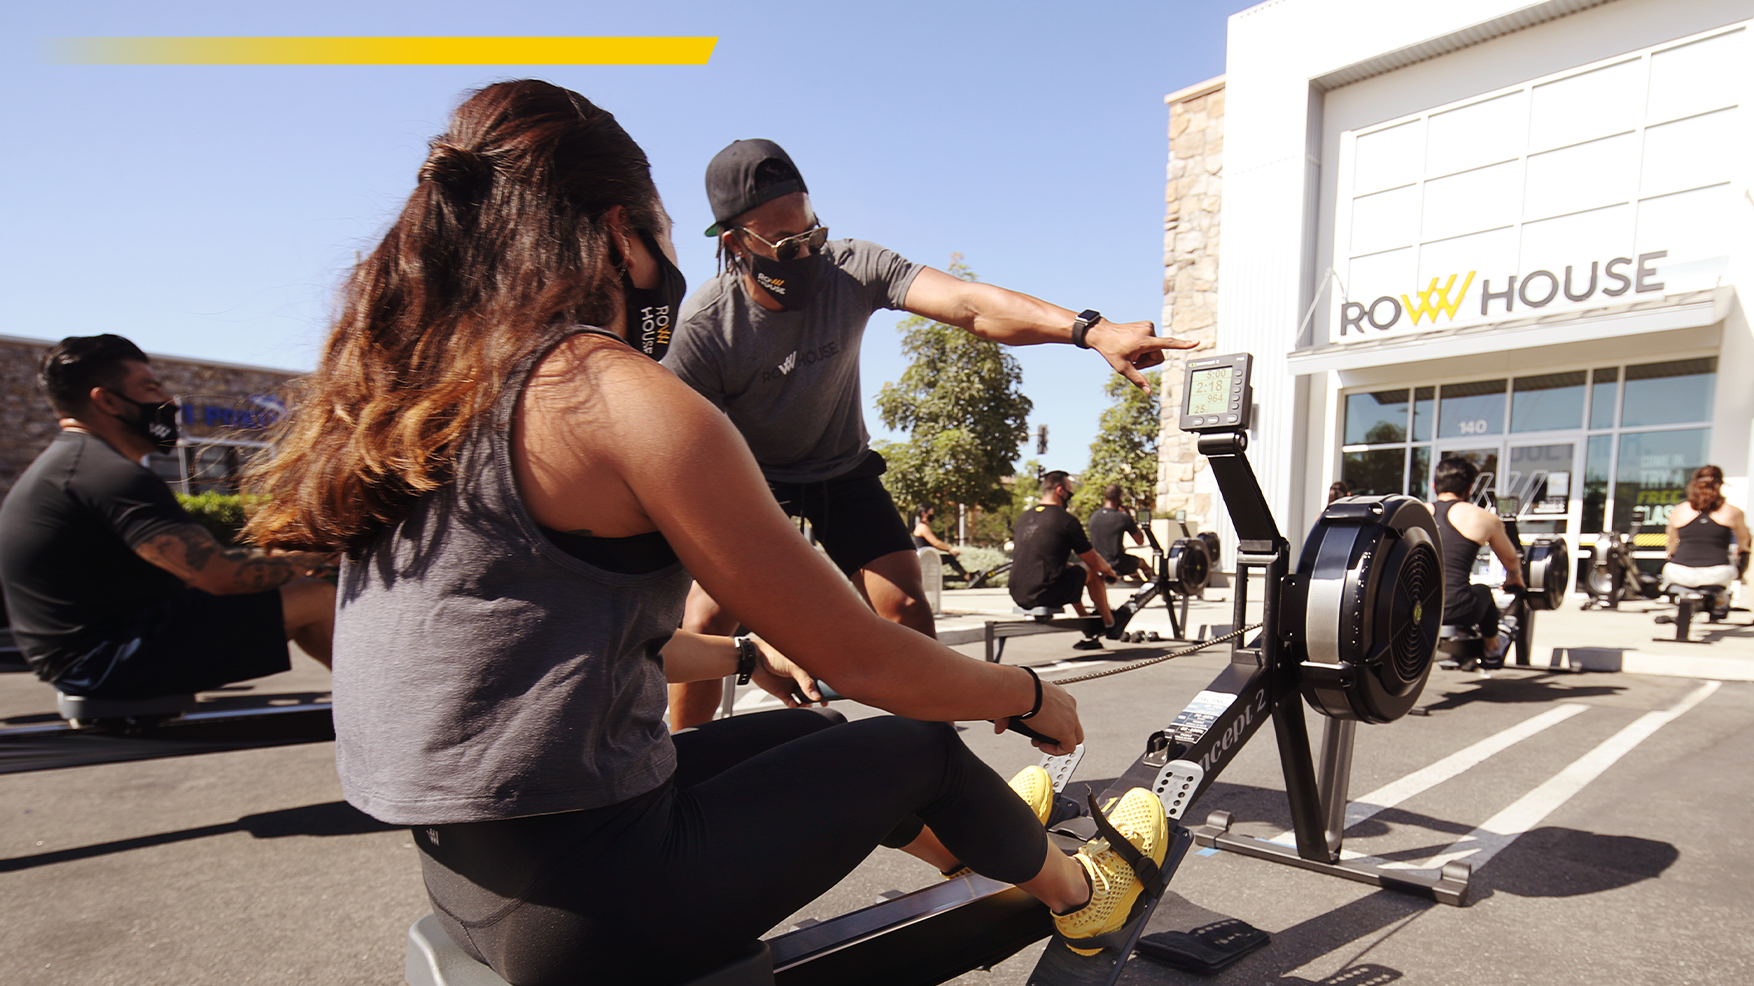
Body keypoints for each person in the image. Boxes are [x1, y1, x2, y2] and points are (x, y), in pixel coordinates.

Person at [240, 81, 1167, 984]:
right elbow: (868, 660)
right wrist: (1028, 692)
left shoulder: (430, 391)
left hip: (474, 876)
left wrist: (739, 658)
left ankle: (977, 841)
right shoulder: (618, 387)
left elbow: (571, 630)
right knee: (914, 744)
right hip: (593, 905)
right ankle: (1079, 890)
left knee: (817, 733)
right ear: (621, 231)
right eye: (666, 230)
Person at [661, 137, 1195, 728]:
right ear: (737, 243)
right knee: (708, 620)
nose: (809, 255)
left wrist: (1088, 330)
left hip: (842, 469)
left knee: (907, 606)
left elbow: (970, 305)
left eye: (812, 234)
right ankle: (685, 767)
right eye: (788, 246)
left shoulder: (851, 267)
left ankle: (935, 769)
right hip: (751, 480)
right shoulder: (706, 329)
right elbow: (686, 462)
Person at [0, 334, 335, 700]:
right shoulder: (109, 474)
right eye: (150, 388)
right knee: (316, 596)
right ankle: (387, 712)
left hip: (92, 654)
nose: (167, 402)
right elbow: (219, 576)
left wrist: (279, 567)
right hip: (104, 662)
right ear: (108, 400)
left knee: (294, 590)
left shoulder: (73, 464)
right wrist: (315, 557)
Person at [1425, 457, 1525, 662]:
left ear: (1434, 486)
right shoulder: (1482, 517)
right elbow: (1511, 560)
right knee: (1483, 590)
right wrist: (1515, 578)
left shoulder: (1417, 512)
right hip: (1457, 608)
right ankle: (1492, 648)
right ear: (1470, 488)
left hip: (1415, 607)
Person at [1012, 471, 1117, 649]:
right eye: (1070, 491)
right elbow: (1093, 561)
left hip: (1017, 593)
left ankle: (1087, 624)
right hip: (1046, 594)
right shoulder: (1066, 520)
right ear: (1060, 491)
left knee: (1071, 571)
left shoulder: (1024, 517)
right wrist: (1110, 572)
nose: (1071, 496)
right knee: (1089, 570)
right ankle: (1110, 624)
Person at [1662, 465, 1749, 615]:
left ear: (1694, 484)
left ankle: (1680, 600)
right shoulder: (1733, 512)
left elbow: (1671, 543)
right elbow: (1744, 542)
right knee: (1736, 567)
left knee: (1670, 567)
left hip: (1680, 572)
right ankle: (1721, 599)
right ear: (1720, 484)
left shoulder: (1679, 510)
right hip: (1718, 573)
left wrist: (1672, 554)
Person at [1088, 484, 1154, 583]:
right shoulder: (1123, 518)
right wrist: (1130, 517)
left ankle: (1138, 584)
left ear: (1104, 497)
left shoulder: (1094, 516)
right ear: (1120, 498)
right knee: (1142, 563)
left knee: (1133, 568)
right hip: (1116, 563)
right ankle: (1154, 587)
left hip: (1098, 562)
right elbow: (1140, 541)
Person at [912, 504, 969, 579]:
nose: (932, 515)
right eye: (931, 513)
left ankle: (966, 575)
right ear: (923, 514)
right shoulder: (922, 527)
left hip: (927, 557)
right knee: (950, 559)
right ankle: (967, 577)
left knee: (948, 558)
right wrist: (950, 549)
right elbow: (935, 543)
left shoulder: (922, 526)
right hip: (925, 558)